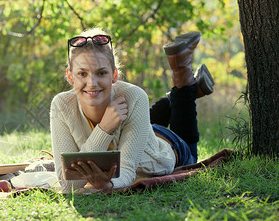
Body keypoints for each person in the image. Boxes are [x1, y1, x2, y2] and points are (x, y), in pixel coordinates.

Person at [50, 28, 214, 193]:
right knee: (139, 115)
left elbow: (127, 170)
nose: (92, 83)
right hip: (137, 130)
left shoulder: (134, 96)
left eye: (101, 73)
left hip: (168, 147)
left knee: (191, 153)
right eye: (82, 73)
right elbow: (67, 185)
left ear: (114, 74)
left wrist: (108, 184)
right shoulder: (61, 104)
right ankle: (189, 89)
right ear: (70, 76)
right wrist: (104, 129)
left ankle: (183, 80)